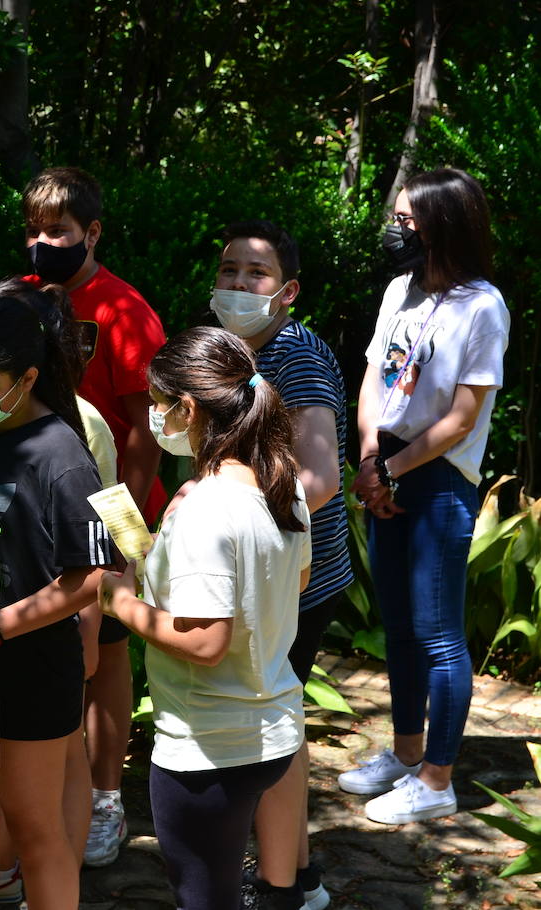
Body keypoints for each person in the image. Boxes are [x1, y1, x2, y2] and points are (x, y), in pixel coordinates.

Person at [100, 325, 312, 910]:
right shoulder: (282, 484)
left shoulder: (206, 509)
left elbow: (205, 641)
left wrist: (123, 603)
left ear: (188, 409)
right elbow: (291, 583)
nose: (153, 415)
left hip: (207, 748)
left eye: (158, 402)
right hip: (273, 726)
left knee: (203, 896)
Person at [0, 279, 113, 910]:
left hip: (31, 669)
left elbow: (90, 574)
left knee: (36, 833)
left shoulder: (62, 454)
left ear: (29, 378)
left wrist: (4, 624)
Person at [342, 168, 510, 825]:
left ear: (445, 224)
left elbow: (463, 416)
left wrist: (393, 469)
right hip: (387, 463)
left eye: (408, 219)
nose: (396, 229)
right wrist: (367, 458)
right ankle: (408, 754)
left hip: (438, 480)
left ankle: (438, 782)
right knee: (401, 628)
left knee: (439, 634)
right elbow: (370, 380)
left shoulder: (482, 306)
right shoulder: (398, 291)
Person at [22, 166, 167, 866]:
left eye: (60, 231)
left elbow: (145, 426)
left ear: (93, 232)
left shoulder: (126, 311)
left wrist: (128, 526)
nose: (45, 243)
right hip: (34, 509)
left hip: (110, 503)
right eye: (36, 230)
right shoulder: (22, 300)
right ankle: (48, 788)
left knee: (107, 651)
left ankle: (105, 795)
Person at [208, 220, 349, 908]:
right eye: (229, 270)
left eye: (255, 274)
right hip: (267, 570)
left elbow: (320, 477)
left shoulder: (297, 356)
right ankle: (294, 873)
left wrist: (235, 523)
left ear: (287, 291)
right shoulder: (231, 354)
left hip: (297, 576)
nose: (238, 283)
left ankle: (283, 885)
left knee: (274, 728)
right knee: (277, 722)